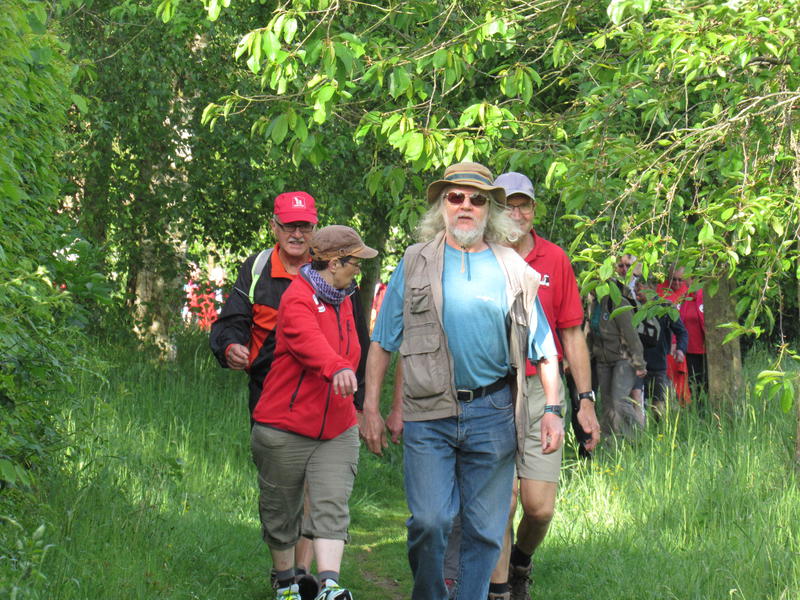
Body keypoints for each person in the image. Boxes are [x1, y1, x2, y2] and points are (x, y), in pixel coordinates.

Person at [361, 162, 563, 600]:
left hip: (492, 413)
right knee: (430, 522)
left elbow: (544, 347)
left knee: (487, 532)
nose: (466, 206)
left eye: (476, 199)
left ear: (490, 209)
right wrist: (371, 408)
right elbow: (382, 342)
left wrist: (552, 409)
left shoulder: (511, 267)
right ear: (441, 205)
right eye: (456, 197)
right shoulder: (415, 262)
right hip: (428, 413)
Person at [209, 192, 370, 583]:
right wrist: (230, 345)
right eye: (289, 226)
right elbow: (233, 320)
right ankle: (287, 574)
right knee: (285, 494)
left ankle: (303, 575)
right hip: (273, 392)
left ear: (316, 233)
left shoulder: (344, 290)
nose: (297, 233)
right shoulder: (260, 268)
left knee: (323, 491)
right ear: (274, 228)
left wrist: (361, 403)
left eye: (305, 226)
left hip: (331, 398)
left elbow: (356, 346)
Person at [251, 226, 378, 600]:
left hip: (336, 427)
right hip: (285, 426)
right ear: (334, 262)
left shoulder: (344, 298)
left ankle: (329, 584)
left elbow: (356, 349)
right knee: (281, 512)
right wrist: (336, 367)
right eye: (354, 262)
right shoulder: (297, 298)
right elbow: (307, 341)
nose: (358, 269)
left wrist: (356, 395)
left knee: (331, 502)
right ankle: (286, 582)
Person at [587, 276, 647, 438]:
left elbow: (631, 335)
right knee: (607, 405)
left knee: (619, 401)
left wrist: (639, 363)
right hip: (603, 360)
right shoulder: (594, 305)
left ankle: (635, 439)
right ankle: (611, 445)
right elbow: (591, 333)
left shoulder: (619, 303)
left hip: (623, 359)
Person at [636, 279, 688, 421]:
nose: (636, 290)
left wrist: (680, 349)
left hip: (658, 364)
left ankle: (661, 434)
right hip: (636, 364)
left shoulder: (666, 307)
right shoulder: (633, 307)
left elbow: (682, 332)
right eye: (635, 287)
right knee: (637, 405)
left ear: (651, 288)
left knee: (659, 406)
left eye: (640, 287)